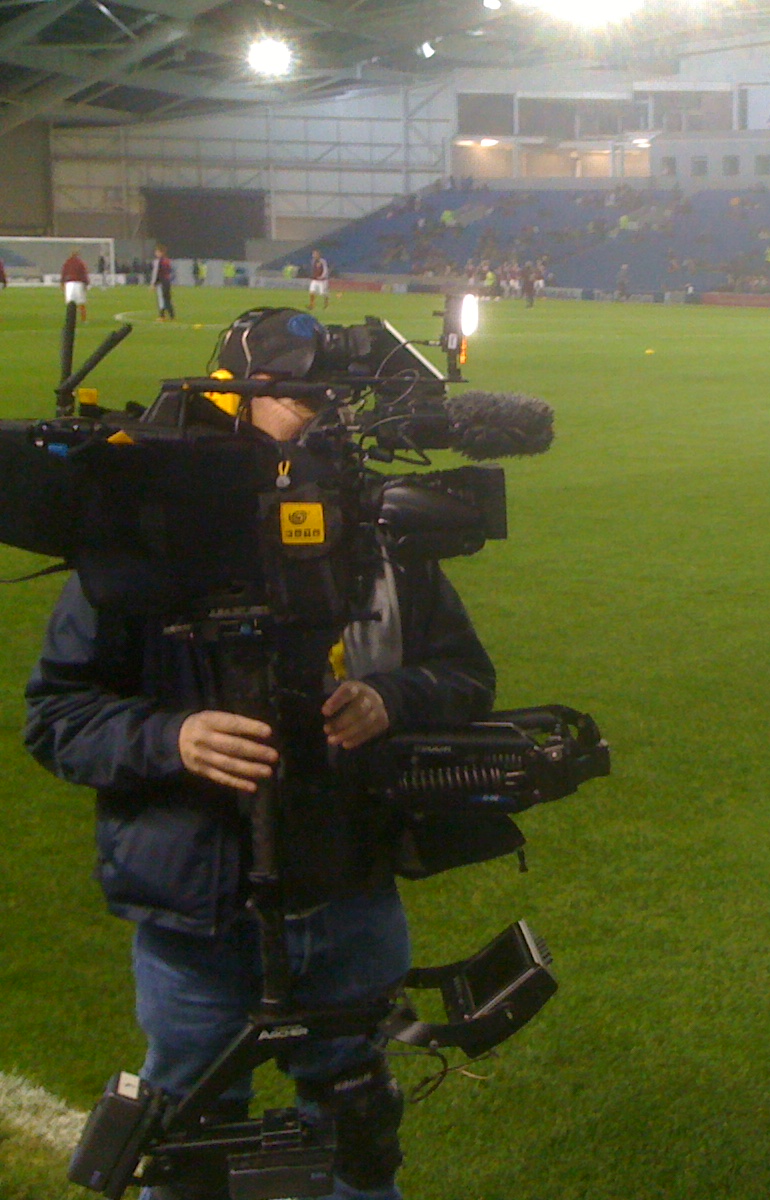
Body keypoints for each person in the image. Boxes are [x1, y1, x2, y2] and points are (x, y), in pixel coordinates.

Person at [24, 308, 497, 1200]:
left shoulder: (381, 530)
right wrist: (175, 737)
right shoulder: (142, 534)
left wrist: (389, 700)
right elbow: (59, 714)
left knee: (360, 1125)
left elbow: (465, 675)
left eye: (327, 395)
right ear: (231, 396)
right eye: (290, 394)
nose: (313, 414)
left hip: (349, 889)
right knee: (196, 1140)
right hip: (198, 918)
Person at [61, 249, 90, 321]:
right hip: (78, 283)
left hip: (69, 283)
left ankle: (70, 319)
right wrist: (86, 283)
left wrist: (62, 282)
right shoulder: (80, 263)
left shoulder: (67, 262)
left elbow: (64, 273)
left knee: (70, 303)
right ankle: (83, 319)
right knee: (81, 302)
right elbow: (84, 273)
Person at [153, 245, 176, 322]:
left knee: (162, 299)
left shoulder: (160, 261)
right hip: (167, 281)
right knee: (167, 299)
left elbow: (159, 273)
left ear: (161, 252)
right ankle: (172, 315)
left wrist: (154, 284)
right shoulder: (167, 260)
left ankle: (162, 316)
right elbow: (170, 271)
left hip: (162, 282)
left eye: (157, 252)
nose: (156, 253)